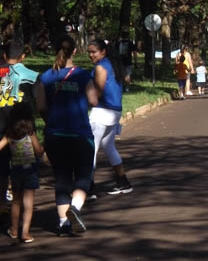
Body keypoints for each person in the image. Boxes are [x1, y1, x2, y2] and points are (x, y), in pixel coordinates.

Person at [35, 35, 98, 236]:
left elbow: (41, 106)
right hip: (80, 133)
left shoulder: (45, 77)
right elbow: (94, 100)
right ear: (75, 51)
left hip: (55, 134)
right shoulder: (82, 75)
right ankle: (75, 208)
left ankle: (63, 223)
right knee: (84, 176)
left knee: (61, 178)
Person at [88, 38, 132, 195]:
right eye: (89, 52)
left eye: (94, 52)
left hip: (102, 111)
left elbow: (97, 92)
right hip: (115, 111)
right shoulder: (114, 64)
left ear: (103, 51)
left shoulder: (100, 67)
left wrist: (85, 103)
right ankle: (123, 181)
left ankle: (89, 187)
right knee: (108, 146)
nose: (90, 55)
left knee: (90, 149)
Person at [0, 41, 40, 213]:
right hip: (22, 128)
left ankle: (2, 202)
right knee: (25, 168)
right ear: (23, 56)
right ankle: (23, 205)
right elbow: (40, 102)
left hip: (0, 125)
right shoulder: (32, 75)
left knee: (1, 168)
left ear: (4, 56)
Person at [0, 102, 44, 243]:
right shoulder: (30, 133)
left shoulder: (9, 135)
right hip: (30, 170)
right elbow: (38, 151)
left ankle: (13, 229)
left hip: (16, 170)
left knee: (16, 201)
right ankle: (25, 232)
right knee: (28, 203)